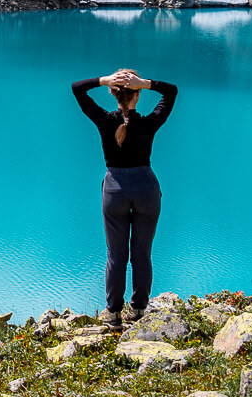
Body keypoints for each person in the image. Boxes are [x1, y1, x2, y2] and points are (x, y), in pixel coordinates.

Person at [71, 69, 178, 331]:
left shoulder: (104, 121)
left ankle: (113, 316)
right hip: (146, 189)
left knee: (116, 257)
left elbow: (77, 88)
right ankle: (139, 309)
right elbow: (171, 91)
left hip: (115, 191)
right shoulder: (148, 123)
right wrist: (147, 82)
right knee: (142, 255)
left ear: (114, 94)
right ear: (138, 95)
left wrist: (103, 80)